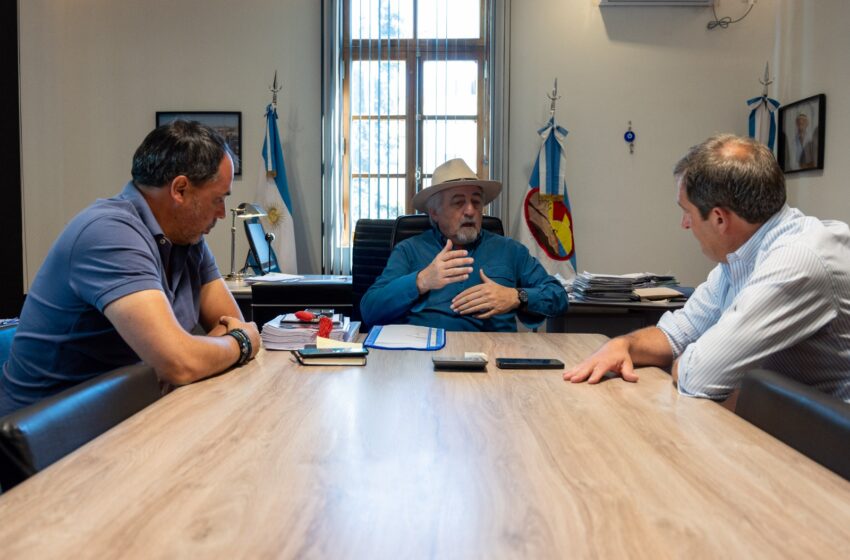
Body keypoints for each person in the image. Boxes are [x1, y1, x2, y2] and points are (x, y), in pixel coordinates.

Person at [0, 120, 261, 417]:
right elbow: (182, 361)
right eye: (218, 199)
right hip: (47, 432)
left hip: (125, 413)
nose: (222, 213)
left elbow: (230, 322)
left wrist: (192, 353)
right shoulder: (110, 233)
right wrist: (238, 343)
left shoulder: (188, 238)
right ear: (180, 189)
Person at [564, 134, 850, 403]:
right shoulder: (740, 255)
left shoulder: (798, 260)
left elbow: (700, 376)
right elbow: (679, 332)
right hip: (787, 421)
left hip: (828, 435)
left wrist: (688, 361)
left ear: (719, 219)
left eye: (686, 212)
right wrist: (623, 345)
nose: (684, 224)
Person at [360, 158, 569, 331]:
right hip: (425, 357)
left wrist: (516, 296)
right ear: (434, 212)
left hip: (493, 356)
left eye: (476, 202)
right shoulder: (409, 250)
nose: (470, 211)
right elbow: (370, 310)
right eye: (458, 202)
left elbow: (558, 296)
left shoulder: (510, 250)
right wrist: (421, 281)